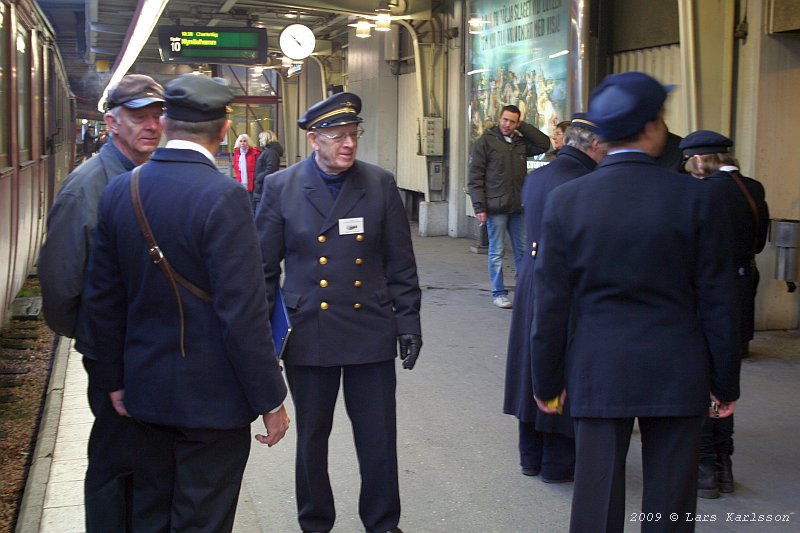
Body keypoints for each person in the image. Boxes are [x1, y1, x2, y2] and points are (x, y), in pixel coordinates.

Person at [531, 72, 740, 533]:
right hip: (677, 369)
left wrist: (547, 382)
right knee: (669, 505)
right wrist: (724, 382)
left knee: (596, 497)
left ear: (601, 134)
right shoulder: (695, 199)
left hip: (597, 368)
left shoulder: (567, 201)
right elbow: (719, 300)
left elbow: (550, 305)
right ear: (653, 127)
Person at [80, 74, 290, 532]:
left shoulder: (122, 190)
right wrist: (270, 399)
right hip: (212, 406)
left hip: (144, 397)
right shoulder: (225, 197)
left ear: (168, 121)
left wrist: (113, 379)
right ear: (223, 129)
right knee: (203, 520)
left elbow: (102, 302)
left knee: (149, 515)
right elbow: (242, 315)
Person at [255, 92, 422, 533]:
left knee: (378, 438)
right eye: (338, 136)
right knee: (312, 438)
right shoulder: (282, 187)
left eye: (354, 134)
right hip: (310, 333)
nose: (349, 144)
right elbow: (264, 272)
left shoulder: (379, 183)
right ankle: (315, 522)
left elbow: (400, 263)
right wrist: (264, 342)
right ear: (314, 139)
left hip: (369, 328)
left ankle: (383, 524)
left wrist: (408, 322)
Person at [38, 74, 165, 532]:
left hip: (146, 351)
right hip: (115, 354)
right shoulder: (87, 188)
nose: (151, 125)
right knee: (115, 465)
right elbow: (60, 287)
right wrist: (100, 343)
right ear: (111, 122)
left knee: (140, 464)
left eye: (156, 115)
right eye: (138, 116)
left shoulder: (147, 178)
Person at [503, 114, 606, 483]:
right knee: (560, 365)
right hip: (568, 284)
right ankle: (558, 462)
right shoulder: (588, 184)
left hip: (531, 279)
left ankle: (530, 456)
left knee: (531, 363)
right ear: (594, 145)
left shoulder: (538, 177)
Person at [680, 130, 769, 499]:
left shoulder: (702, 193)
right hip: (743, 288)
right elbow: (760, 241)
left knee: (701, 378)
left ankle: (705, 470)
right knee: (726, 376)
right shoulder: (753, 188)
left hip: (705, 296)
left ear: (701, 159)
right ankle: (725, 466)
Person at [468, 103, 550, 308]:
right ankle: (498, 292)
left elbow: (543, 144)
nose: (507, 124)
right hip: (495, 208)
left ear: (517, 123)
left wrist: (524, 127)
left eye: (513, 122)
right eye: (505, 120)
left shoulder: (520, 143)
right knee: (496, 252)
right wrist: (479, 207)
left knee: (522, 251)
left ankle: (523, 292)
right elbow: (475, 177)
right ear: (499, 118)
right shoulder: (485, 142)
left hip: (518, 206)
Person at [252, 129, 283, 211]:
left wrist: (258, 178)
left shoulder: (270, 152)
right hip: (263, 187)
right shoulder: (268, 151)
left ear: (266, 139)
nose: (259, 140)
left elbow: (271, 169)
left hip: (264, 188)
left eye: (261, 138)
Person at [233, 132, 260, 201]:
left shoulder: (255, 153)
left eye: (245, 141)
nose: (242, 143)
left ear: (248, 142)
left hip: (253, 182)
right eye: (241, 141)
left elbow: (258, 167)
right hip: (241, 182)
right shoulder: (237, 154)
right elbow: (236, 168)